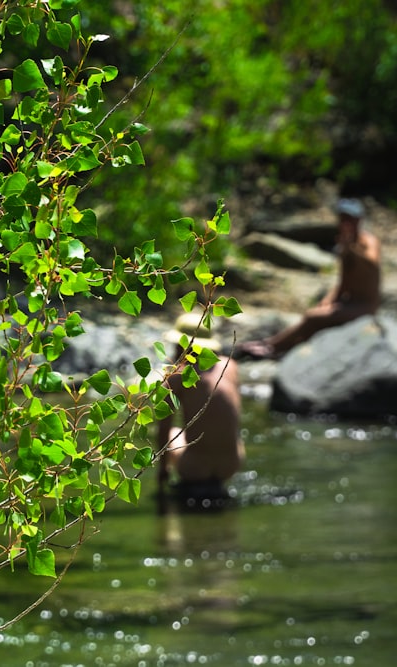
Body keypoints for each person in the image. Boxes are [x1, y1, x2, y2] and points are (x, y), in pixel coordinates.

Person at [234, 198, 381, 360]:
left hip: (364, 307)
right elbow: (344, 281)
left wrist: (351, 249)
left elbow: (372, 263)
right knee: (316, 315)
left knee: (313, 317)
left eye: (349, 220)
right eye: (342, 219)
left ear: (358, 220)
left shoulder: (367, 241)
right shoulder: (345, 244)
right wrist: (329, 299)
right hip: (348, 302)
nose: (345, 224)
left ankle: (272, 347)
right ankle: (272, 345)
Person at [157, 312, 245, 510]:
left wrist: (162, 471)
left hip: (194, 470)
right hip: (232, 464)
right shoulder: (229, 365)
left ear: (180, 345)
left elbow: (164, 428)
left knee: (173, 433)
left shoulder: (177, 376)